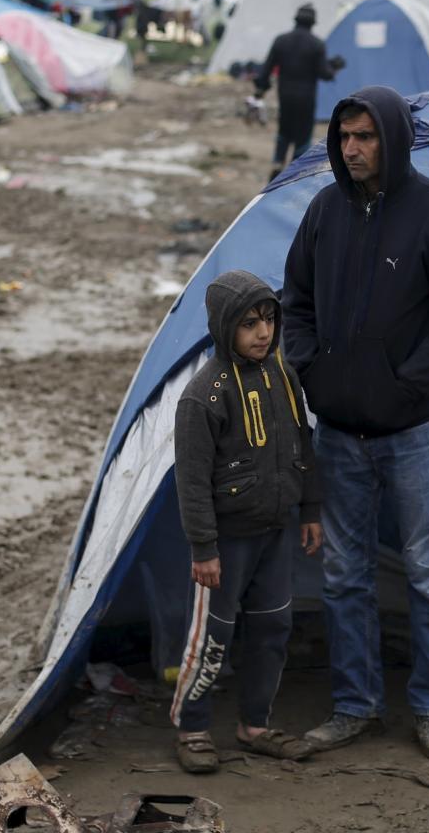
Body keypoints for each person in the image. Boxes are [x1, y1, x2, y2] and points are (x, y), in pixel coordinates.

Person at [283, 86, 429, 762]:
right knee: (345, 577)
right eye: (344, 137)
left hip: (412, 432)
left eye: (366, 137)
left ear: (394, 139)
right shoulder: (323, 212)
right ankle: (355, 706)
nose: (352, 149)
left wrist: (408, 382)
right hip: (338, 433)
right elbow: (296, 302)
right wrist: (312, 369)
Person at [169, 270, 325, 774]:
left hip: (276, 531)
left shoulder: (284, 375)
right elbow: (191, 481)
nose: (263, 333)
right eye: (249, 324)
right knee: (212, 636)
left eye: (269, 320)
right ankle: (192, 728)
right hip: (227, 544)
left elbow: (303, 446)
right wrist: (203, 548)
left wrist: (310, 510)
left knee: (273, 627)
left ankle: (254, 725)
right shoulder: (203, 396)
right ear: (223, 328)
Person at [255, 4, 337, 182]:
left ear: (296, 20)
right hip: (306, 98)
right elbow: (324, 73)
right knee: (303, 134)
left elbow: (266, 69)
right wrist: (333, 68)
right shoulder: (317, 44)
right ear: (313, 23)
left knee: (284, 129)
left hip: (285, 95)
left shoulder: (281, 40)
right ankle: (294, 171)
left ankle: (277, 164)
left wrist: (260, 89)